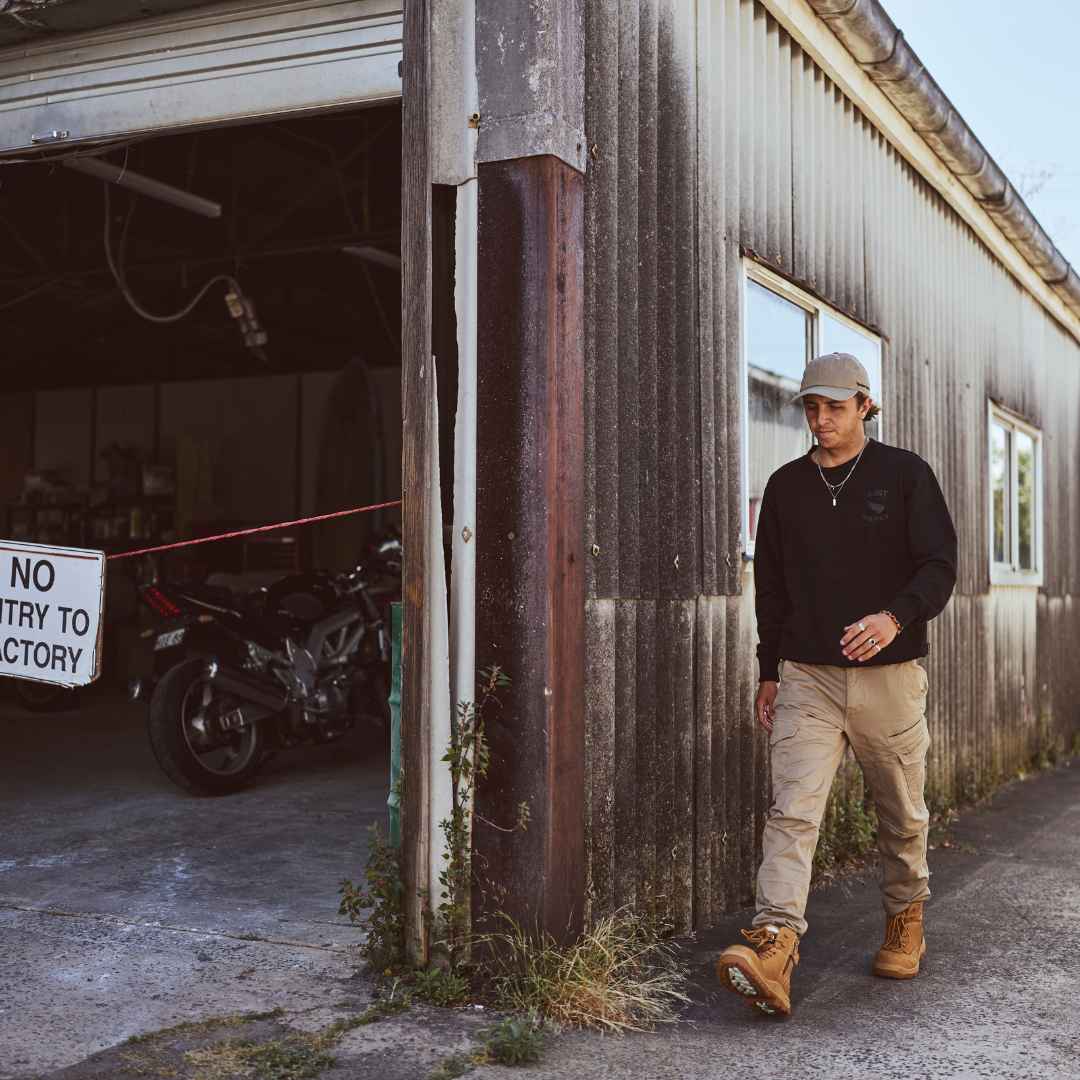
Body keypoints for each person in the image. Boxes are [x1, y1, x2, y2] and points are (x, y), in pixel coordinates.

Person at [716, 352, 957, 1017]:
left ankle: (905, 917)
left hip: (889, 680)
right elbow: (771, 589)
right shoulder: (786, 487)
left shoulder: (905, 475)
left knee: (901, 813)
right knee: (792, 811)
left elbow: (940, 566)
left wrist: (893, 617)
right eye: (812, 407)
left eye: (835, 407)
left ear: (865, 406)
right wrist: (769, 670)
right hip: (808, 677)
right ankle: (775, 946)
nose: (821, 419)